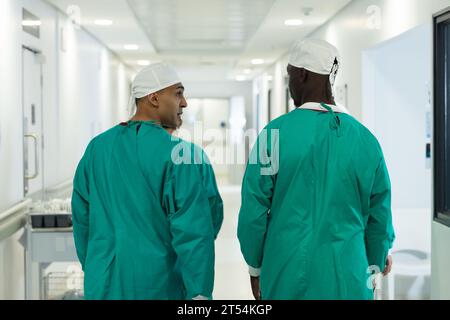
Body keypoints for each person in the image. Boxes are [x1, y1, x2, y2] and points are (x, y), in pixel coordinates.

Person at [237, 39, 395, 300]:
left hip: (286, 274)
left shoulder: (273, 135)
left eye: (289, 75)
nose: (289, 86)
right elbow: (379, 214)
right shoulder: (366, 140)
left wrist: (255, 267)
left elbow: (254, 211)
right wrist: (376, 260)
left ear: (301, 74)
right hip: (350, 277)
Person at [72, 62, 217, 300]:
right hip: (158, 284)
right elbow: (195, 230)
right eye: (178, 93)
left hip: (103, 284)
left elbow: (82, 219)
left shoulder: (97, 148)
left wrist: (97, 266)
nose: (184, 103)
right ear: (154, 98)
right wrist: (199, 292)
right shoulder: (180, 155)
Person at [164, 127, 223, 239]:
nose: (182, 108)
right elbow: (212, 205)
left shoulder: (124, 150)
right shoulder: (193, 154)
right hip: (186, 250)